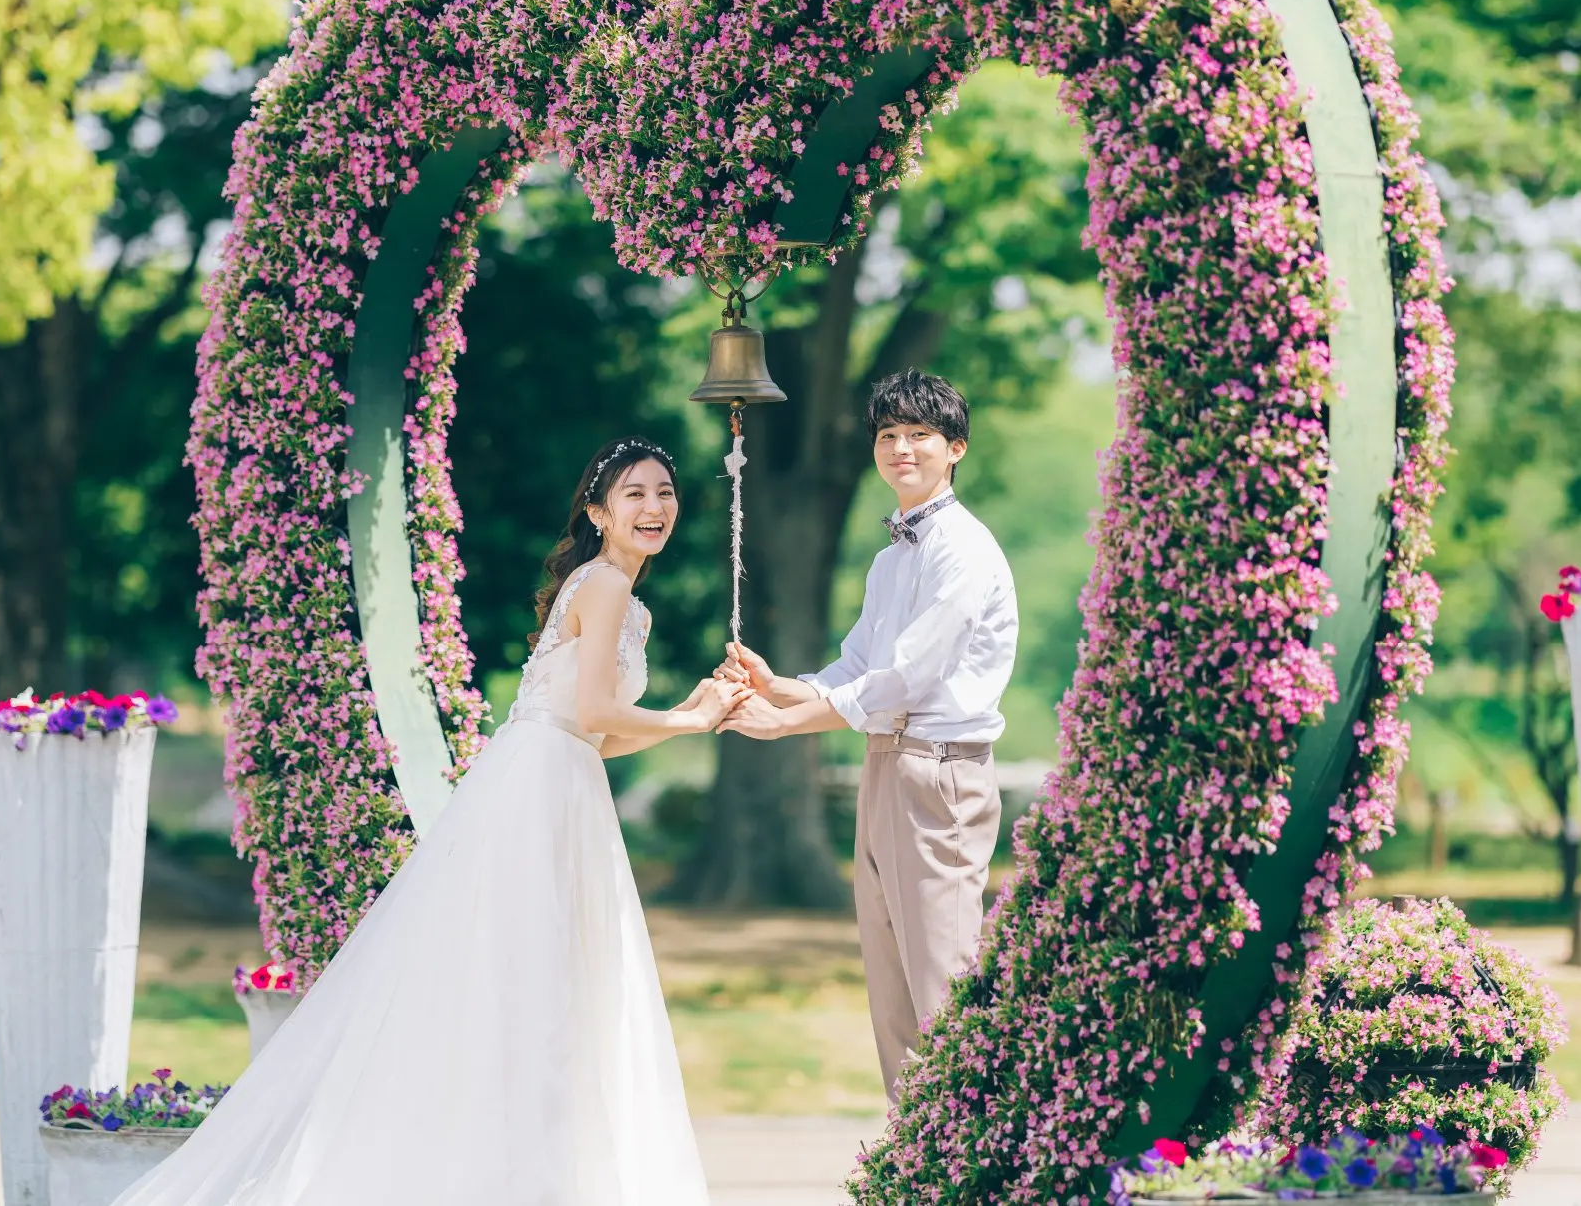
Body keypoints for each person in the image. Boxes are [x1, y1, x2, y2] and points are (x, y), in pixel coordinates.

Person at [114, 438, 740, 1206]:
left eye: (666, 493)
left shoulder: (619, 594)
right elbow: (595, 712)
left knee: (547, 980)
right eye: (635, 494)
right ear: (597, 511)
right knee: (538, 983)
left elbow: (601, 736)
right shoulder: (606, 583)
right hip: (542, 792)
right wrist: (692, 716)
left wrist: (695, 717)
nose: (654, 508)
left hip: (561, 782)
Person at [718, 369, 1017, 1100]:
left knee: (943, 987)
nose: (901, 449)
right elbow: (859, 664)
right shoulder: (892, 559)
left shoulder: (963, 549)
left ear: (956, 449)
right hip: (888, 764)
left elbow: (909, 675)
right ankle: (916, 1160)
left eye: (920, 435)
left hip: (941, 773)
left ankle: (972, 1159)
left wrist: (792, 721)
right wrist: (778, 684)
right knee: (891, 989)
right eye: (888, 436)